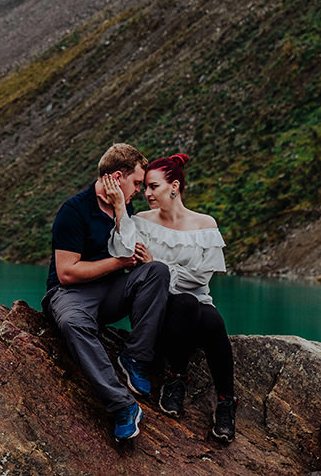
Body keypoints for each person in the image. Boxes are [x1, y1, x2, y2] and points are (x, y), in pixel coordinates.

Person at [42, 143, 170, 442]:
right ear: (116, 177)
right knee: (72, 322)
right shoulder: (74, 211)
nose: (139, 190)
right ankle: (123, 406)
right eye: (136, 183)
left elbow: (128, 253)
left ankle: (135, 358)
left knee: (157, 271)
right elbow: (67, 272)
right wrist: (119, 263)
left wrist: (124, 218)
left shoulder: (125, 208)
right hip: (70, 293)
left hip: (110, 290)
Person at [109, 153, 238, 442]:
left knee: (211, 319)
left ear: (174, 186)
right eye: (145, 187)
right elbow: (124, 254)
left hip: (195, 305)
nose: (146, 193)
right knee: (186, 303)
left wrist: (156, 263)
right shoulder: (141, 221)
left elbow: (200, 279)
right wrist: (120, 211)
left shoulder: (204, 224)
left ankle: (226, 402)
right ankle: (177, 378)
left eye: (153, 186)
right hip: (158, 310)